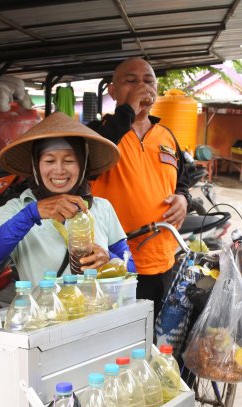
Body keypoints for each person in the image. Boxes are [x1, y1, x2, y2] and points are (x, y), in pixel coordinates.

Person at [0, 112, 135, 284]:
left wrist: (109, 258)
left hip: (99, 310)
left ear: (82, 165)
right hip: (45, 309)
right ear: (36, 167)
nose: (59, 170)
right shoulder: (18, 208)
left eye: (69, 161)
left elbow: (131, 269)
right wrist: (31, 214)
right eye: (49, 161)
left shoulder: (102, 207)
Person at [88, 57, 191, 316]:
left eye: (148, 81)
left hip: (161, 260)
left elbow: (183, 181)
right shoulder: (98, 132)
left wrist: (183, 198)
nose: (141, 88)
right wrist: (128, 111)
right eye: (130, 81)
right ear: (112, 91)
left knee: (153, 339)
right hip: (111, 263)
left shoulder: (166, 135)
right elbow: (87, 165)